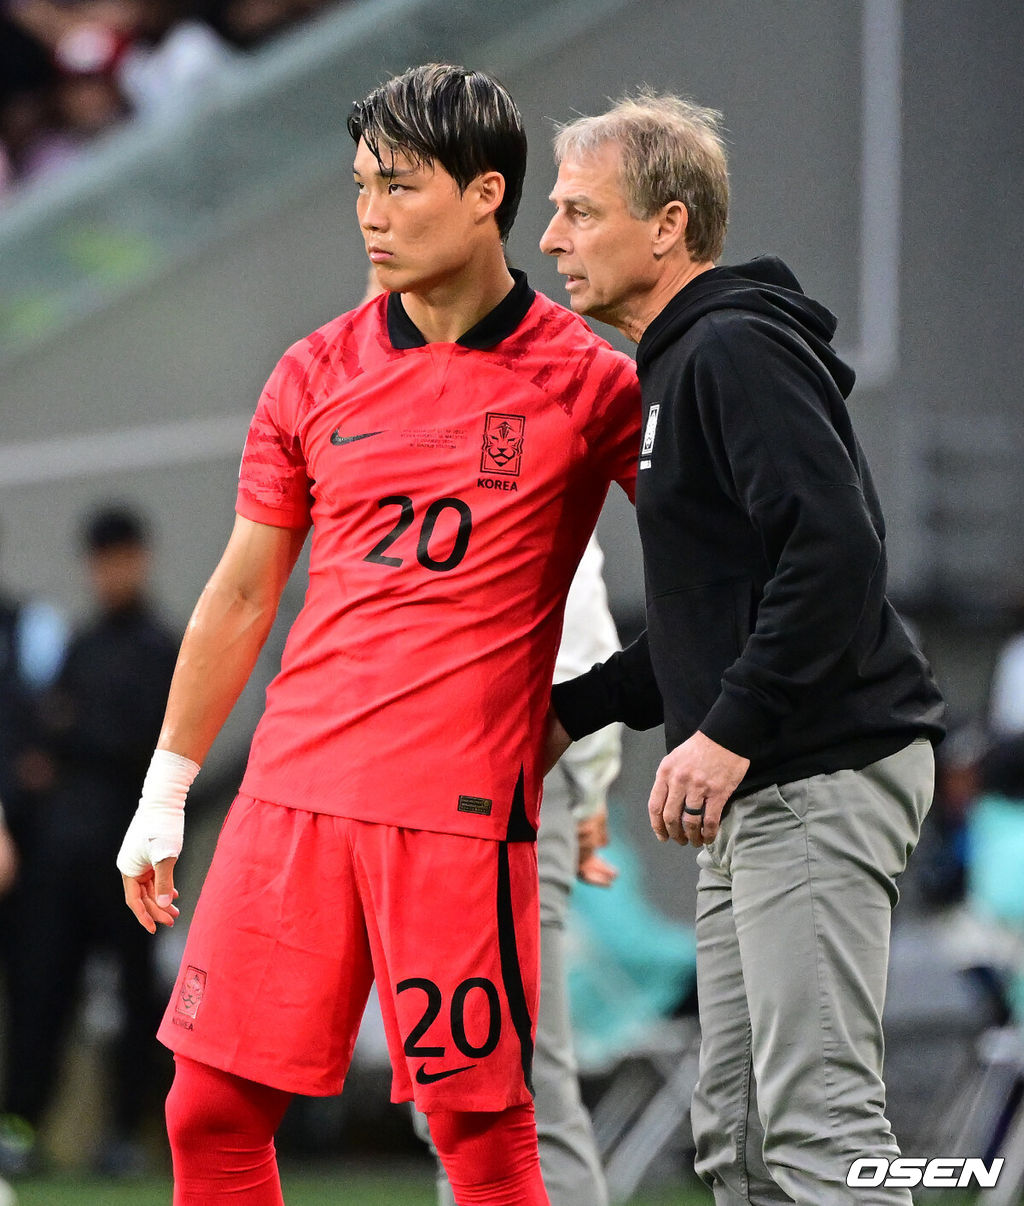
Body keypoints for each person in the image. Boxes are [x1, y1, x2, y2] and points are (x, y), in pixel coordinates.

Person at [116, 63, 640, 1206]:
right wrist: (167, 792)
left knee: (480, 1131)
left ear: (487, 192)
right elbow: (243, 594)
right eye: (360, 185)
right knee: (206, 1111)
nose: (369, 213)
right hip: (290, 797)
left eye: (398, 187)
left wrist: (613, 714)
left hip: (455, 818)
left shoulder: (592, 383)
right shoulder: (311, 371)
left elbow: (722, 558)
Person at [539, 93, 945, 1205]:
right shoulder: (680, 361)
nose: (551, 238)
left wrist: (722, 730)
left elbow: (833, 557)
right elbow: (715, 612)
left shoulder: (729, 347)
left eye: (578, 210)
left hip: (814, 771)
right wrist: (567, 714)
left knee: (815, 1131)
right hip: (771, 776)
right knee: (743, 1143)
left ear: (667, 225)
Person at [414, 534, 620, 1206]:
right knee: (458, 1090)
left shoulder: (518, 442)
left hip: (504, 768)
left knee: (520, 1090)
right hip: (440, 779)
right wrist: (591, 783)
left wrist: (587, 782)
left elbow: (578, 641)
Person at [1, 505, 178, 1178]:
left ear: (140, 559)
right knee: (41, 992)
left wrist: (77, 737)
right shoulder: (80, 645)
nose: (110, 573)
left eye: (120, 558)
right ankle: (20, 1127)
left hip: (130, 857)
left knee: (137, 999)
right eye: (100, 561)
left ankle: (126, 1134)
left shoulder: (163, 648)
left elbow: (150, 747)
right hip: (59, 860)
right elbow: (48, 737)